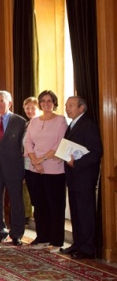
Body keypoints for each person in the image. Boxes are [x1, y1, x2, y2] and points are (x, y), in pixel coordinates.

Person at [23, 90, 68, 247]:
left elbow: (59, 144)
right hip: (35, 170)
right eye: (43, 101)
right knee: (40, 205)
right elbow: (28, 142)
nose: (46, 103)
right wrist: (35, 161)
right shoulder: (34, 121)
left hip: (55, 169)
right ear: (40, 103)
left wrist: (40, 160)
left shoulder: (61, 120)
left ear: (54, 103)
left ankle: (56, 241)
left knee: (55, 206)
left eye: (49, 101)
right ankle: (42, 237)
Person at [0, 91, 27, 246]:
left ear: (9, 103)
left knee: (16, 201)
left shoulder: (20, 122)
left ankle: (16, 234)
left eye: (2, 101)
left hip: (14, 168)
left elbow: (25, 146)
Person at [61, 96, 103, 259]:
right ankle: (77, 244)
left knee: (85, 213)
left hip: (84, 177)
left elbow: (96, 152)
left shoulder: (88, 125)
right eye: (66, 105)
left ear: (81, 108)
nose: (67, 108)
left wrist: (75, 163)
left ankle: (87, 248)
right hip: (73, 178)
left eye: (70, 105)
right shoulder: (72, 124)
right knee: (76, 213)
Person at [22, 96, 40, 223]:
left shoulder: (41, 122)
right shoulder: (26, 124)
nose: (30, 111)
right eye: (27, 108)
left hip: (40, 165)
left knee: (40, 199)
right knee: (34, 198)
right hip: (27, 165)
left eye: (32, 108)